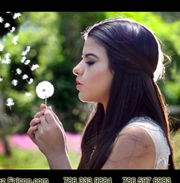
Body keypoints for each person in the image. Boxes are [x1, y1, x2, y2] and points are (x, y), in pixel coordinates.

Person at [27, 18, 175, 169]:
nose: (76, 69)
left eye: (90, 61)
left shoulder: (136, 138)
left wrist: (56, 155)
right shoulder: (113, 129)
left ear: (124, 69)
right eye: (82, 59)